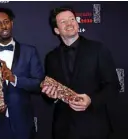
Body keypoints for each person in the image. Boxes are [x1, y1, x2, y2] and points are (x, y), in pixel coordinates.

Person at [42, 6, 120, 139]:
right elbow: (50, 95)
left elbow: (113, 86)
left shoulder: (98, 49)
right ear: (56, 30)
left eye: (72, 19)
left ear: (77, 23)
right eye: (63, 22)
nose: (69, 23)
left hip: (94, 126)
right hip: (63, 129)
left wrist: (91, 100)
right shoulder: (51, 57)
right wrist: (51, 95)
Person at [0, 7, 44, 139]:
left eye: (6, 21)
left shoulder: (29, 51)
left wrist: (14, 79)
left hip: (22, 122)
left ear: (12, 23)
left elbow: (39, 84)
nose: (3, 26)